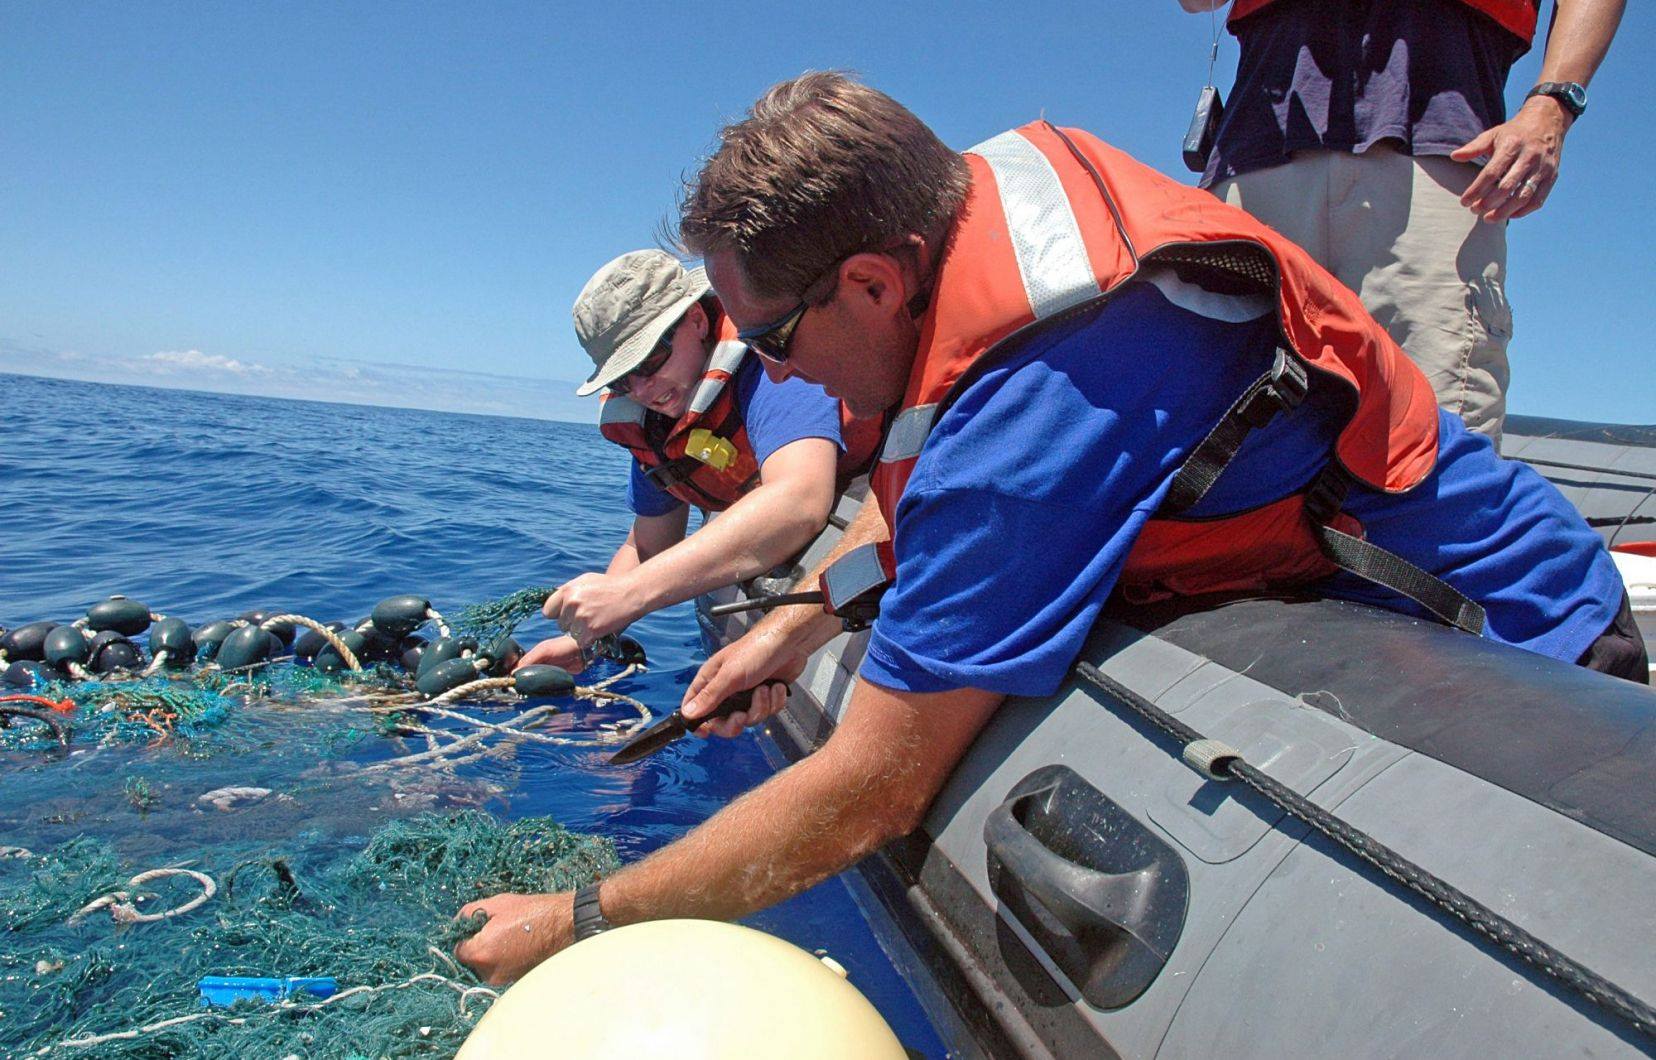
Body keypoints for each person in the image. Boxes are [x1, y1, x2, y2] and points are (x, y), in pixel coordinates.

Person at [455, 73, 1643, 985]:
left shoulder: (1038, 403)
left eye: (768, 340)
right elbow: (935, 520)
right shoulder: (958, 224)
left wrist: (576, 922)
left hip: (1513, 660)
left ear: (870, 281)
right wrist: (808, 620)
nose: (773, 369)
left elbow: (870, 790)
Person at [1179, 0, 1625, 449]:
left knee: (1433, 431)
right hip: (1255, 157)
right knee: (1216, 430)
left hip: (1438, 149)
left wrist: (1554, 103)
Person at [519, 249, 874, 670]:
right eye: (621, 378)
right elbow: (648, 545)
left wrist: (631, 595)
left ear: (698, 320)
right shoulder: (655, 424)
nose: (642, 388)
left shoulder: (768, 364)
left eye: (650, 360)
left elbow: (799, 501)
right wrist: (588, 638)